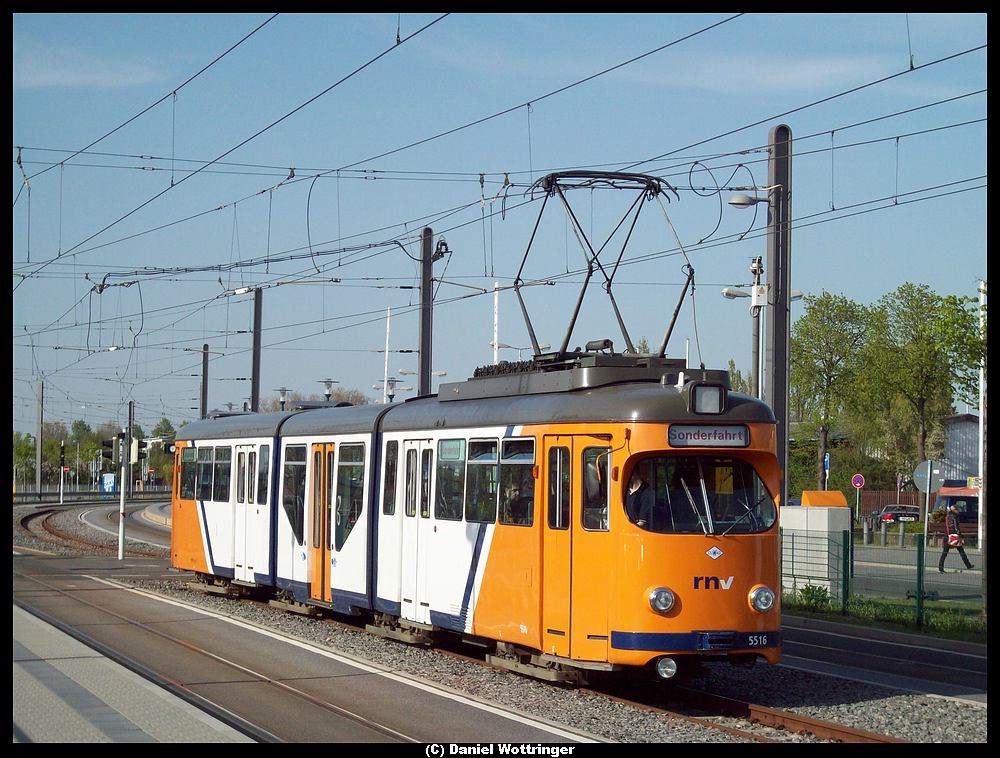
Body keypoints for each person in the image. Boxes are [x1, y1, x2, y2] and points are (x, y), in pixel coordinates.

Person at [939, 503, 974, 573]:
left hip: (947, 536)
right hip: (954, 536)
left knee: (944, 553)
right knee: (961, 551)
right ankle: (968, 565)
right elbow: (955, 527)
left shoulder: (947, 515)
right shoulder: (954, 516)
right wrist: (960, 535)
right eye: (958, 510)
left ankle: (940, 568)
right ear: (955, 510)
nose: (959, 511)